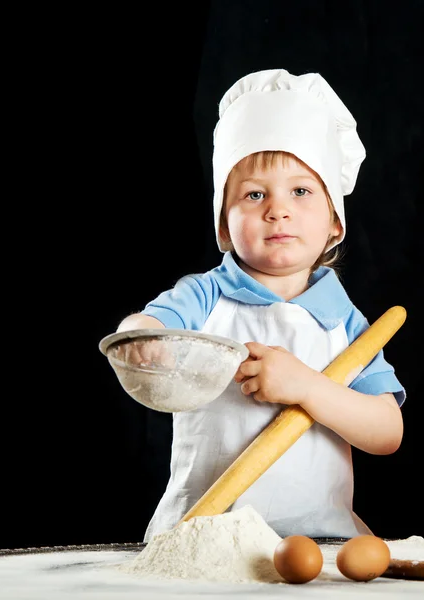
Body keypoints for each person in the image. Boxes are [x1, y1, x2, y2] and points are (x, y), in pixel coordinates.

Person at [114, 68, 406, 541]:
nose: (278, 209)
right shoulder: (203, 296)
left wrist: (305, 386)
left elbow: (387, 431)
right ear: (224, 227)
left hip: (319, 543)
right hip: (204, 536)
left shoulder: (348, 326)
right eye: (254, 194)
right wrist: (142, 336)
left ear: (335, 222)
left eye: (301, 191)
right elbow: (149, 327)